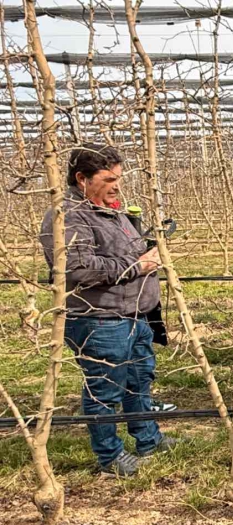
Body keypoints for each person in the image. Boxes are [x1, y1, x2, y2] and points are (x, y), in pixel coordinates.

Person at [40, 143, 176, 478]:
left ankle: (148, 439)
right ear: (81, 178)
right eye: (109, 179)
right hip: (99, 319)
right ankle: (110, 455)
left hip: (134, 314)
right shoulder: (68, 216)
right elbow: (77, 268)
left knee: (138, 381)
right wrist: (137, 265)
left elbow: (121, 251)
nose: (117, 185)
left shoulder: (109, 210)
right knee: (105, 389)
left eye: (118, 178)